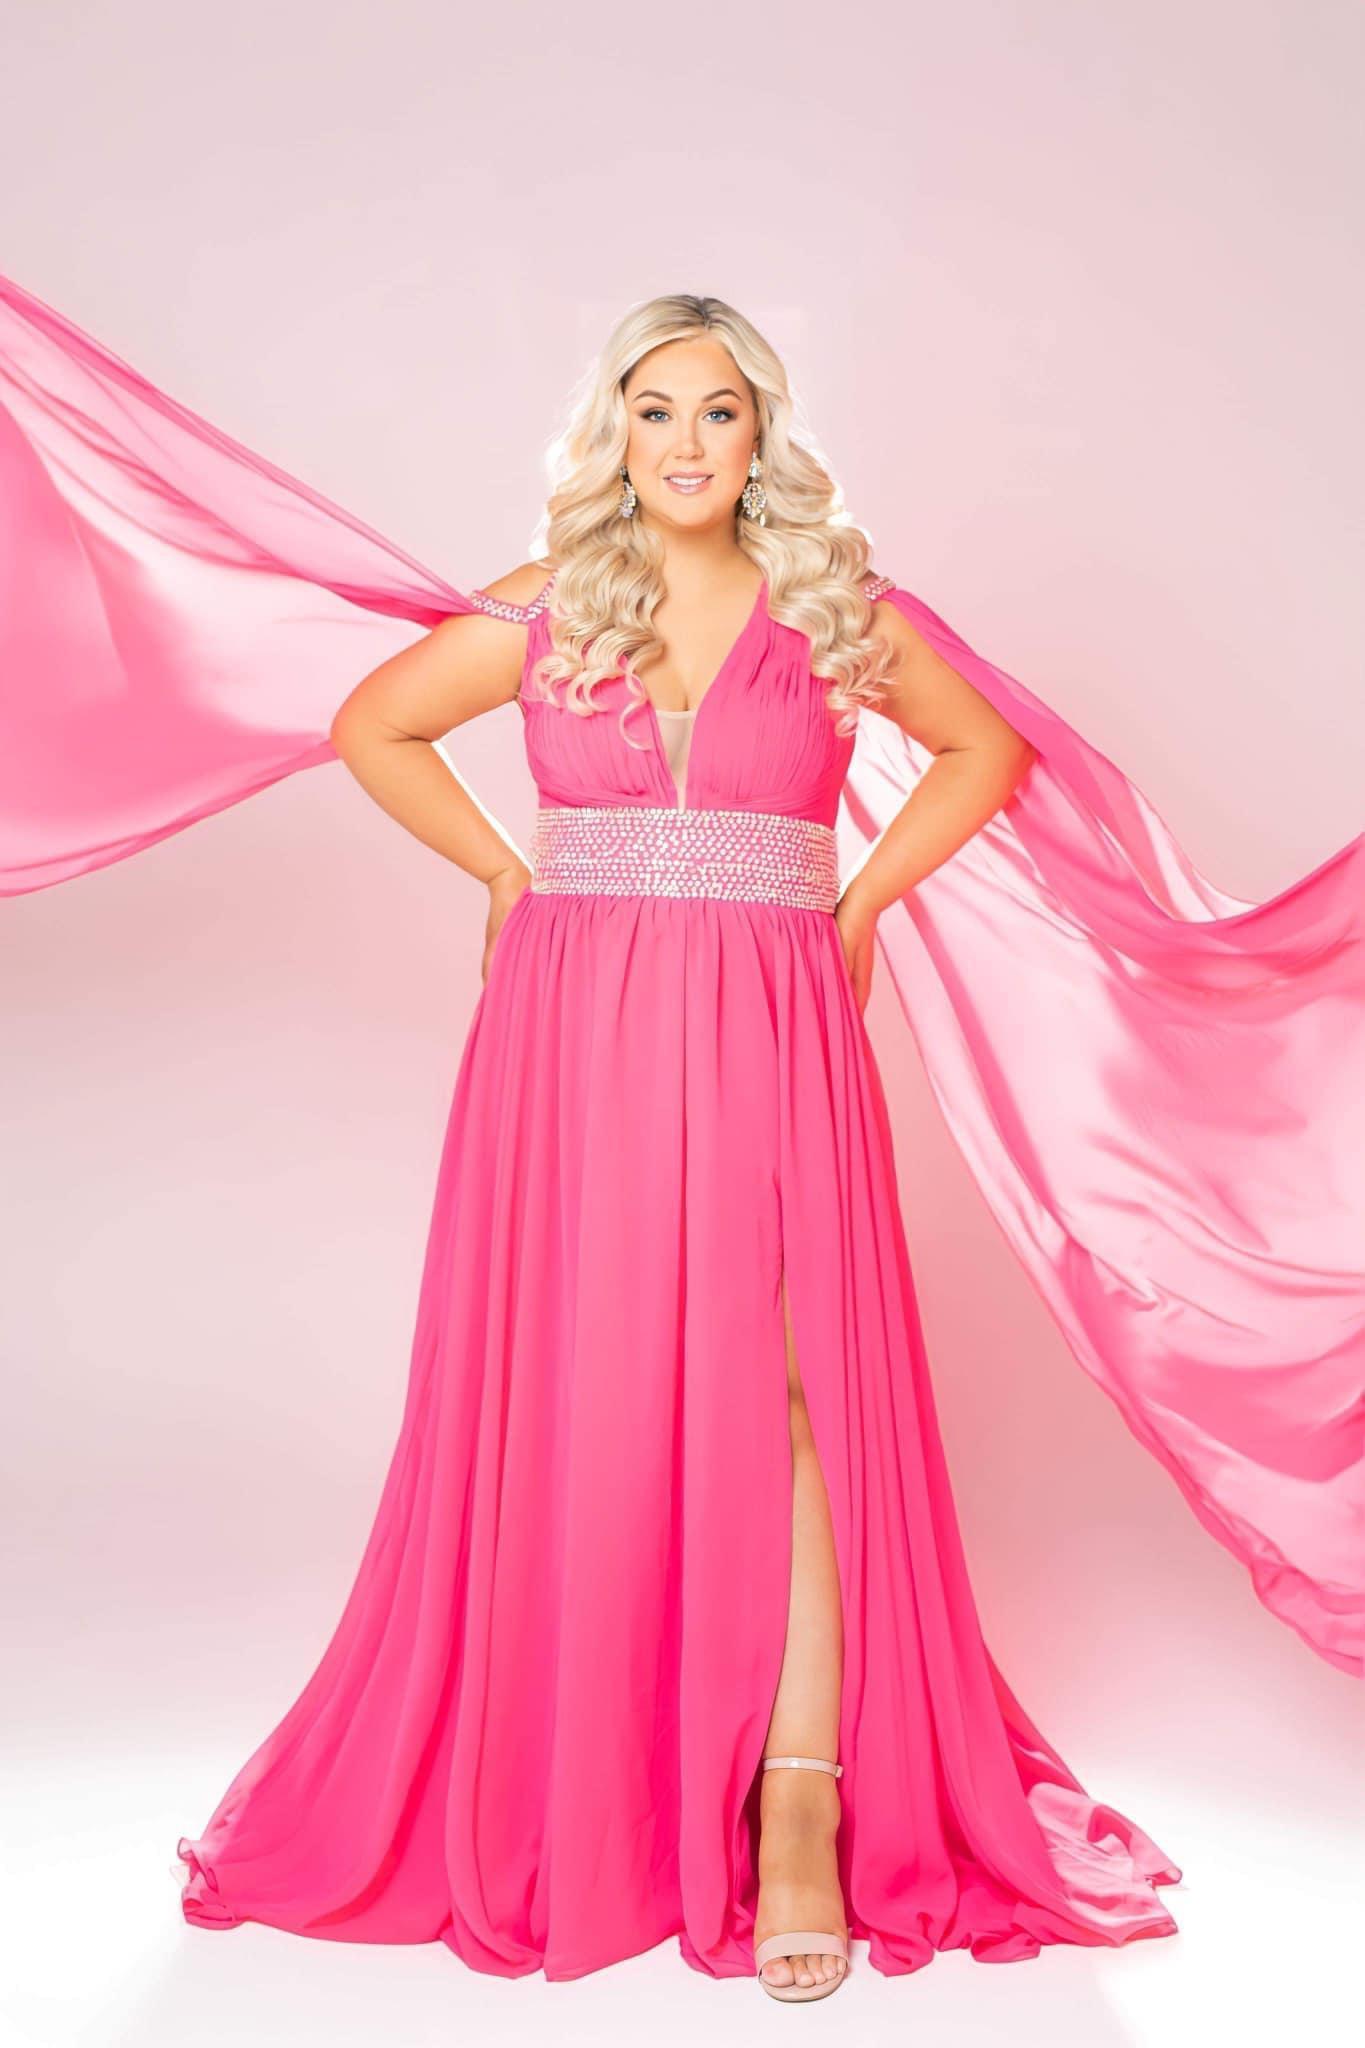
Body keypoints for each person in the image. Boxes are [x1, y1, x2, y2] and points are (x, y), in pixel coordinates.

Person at [1, 280, 1359, 1999]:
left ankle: (797, 1801)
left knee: (789, 1388)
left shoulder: (836, 607)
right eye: (656, 410)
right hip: (573, 1032)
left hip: (775, 1022)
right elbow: (373, 723)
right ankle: (589, 1773)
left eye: (719, 410)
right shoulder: (553, 603)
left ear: (761, 433)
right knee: (591, 1384)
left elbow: (984, 749)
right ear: (615, 434)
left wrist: (857, 904)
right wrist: (505, 872)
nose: (687, 442)